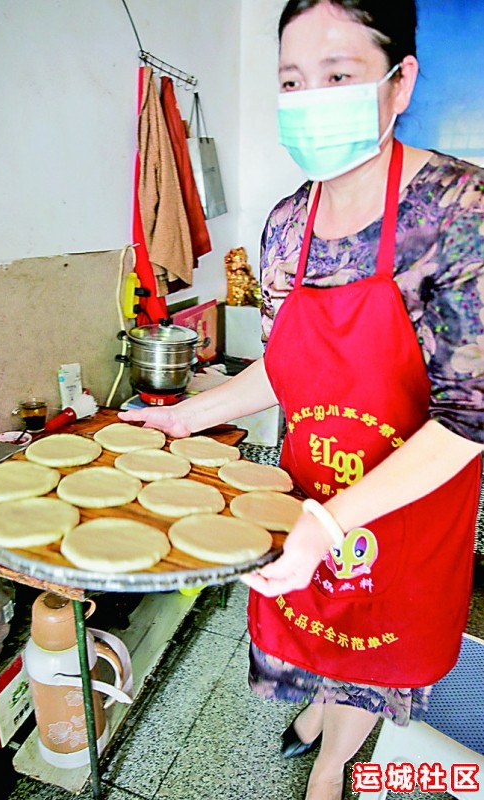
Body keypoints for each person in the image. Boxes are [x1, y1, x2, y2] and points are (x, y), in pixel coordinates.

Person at [119, 1, 484, 797]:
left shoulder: (461, 211)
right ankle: (318, 714)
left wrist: (329, 524)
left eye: (338, 75)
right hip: (303, 493)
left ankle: (331, 762)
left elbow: (470, 416)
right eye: (291, 80)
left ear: (398, 84)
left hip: (403, 513)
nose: (309, 96)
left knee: (369, 650)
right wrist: (188, 415)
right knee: (313, 632)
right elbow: (290, 366)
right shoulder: (288, 225)